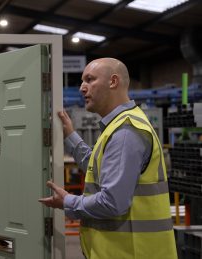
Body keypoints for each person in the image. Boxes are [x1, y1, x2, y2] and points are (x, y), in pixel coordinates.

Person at [39, 58, 177, 258]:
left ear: (113, 82)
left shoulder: (125, 131)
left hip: (131, 252)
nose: (81, 88)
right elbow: (97, 167)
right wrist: (70, 135)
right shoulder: (120, 125)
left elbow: (112, 202)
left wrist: (69, 201)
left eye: (89, 80)